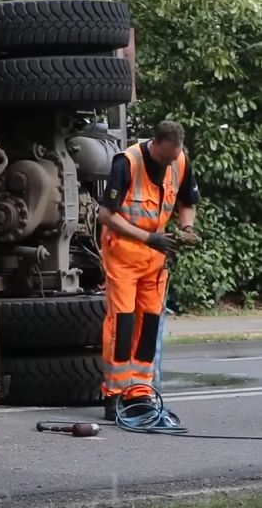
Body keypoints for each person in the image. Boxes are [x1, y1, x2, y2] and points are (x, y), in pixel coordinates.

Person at [97, 120, 200, 421]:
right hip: (124, 256)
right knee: (123, 324)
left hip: (156, 262)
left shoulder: (179, 160)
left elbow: (187, 201)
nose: (170, 163)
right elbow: (106, 215)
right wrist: (148, 238)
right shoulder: (127, 163)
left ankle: (140, 392)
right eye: (166, 157)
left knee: (149, 326)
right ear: (155, 144)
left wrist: (187, 228)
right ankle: (115, 394)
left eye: (175, 157)